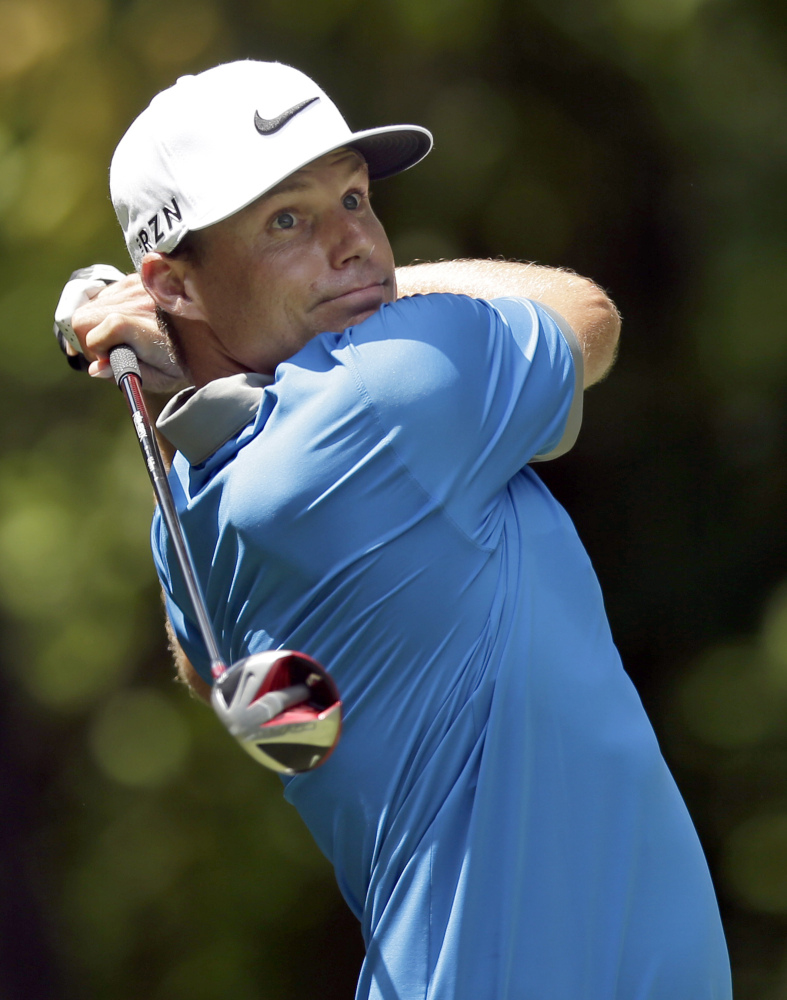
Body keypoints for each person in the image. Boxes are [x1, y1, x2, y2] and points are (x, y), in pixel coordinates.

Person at [61, 59, 732, 999]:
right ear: (169, 282)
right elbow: (585, 318)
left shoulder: (192, 513)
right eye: (287, 220)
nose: (355, 245)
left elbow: (198, 660)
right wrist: (389, 290)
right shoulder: (386, 389)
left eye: (353, 198)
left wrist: (184, 375)